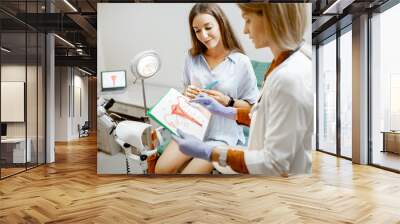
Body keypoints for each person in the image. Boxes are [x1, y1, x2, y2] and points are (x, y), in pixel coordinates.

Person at [172, 3, 313, 176]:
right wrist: (227, 111)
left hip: (279, 185)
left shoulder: (289, 77)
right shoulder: (280, 66)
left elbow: (275, 162)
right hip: (198, 127)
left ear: (271, 20)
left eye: (248, 20)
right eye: (197, 30)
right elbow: (263, 115)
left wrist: (210, 152)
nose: (245, 30)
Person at [155, 3, 259, 174]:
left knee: (190, 176)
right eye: (197, 31)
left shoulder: (241, 62)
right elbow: (185, 95)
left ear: (221, 23)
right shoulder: (191, 57)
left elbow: (251, 109)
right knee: (161, 170)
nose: (203, 35)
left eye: (208, 27)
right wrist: (186, 94)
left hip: (222, 135)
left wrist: (227, 101)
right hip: (192, 129)